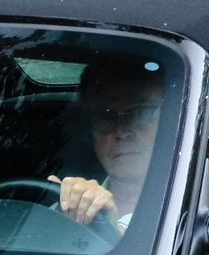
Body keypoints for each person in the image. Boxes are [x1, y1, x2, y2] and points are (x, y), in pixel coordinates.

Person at [49, 60, 168, 239]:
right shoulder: (64, 209)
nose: (121, 131)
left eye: (139, 113)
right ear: (90, 131)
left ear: (170, 120)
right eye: (105, 116)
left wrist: (109, 230)